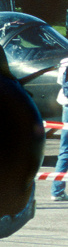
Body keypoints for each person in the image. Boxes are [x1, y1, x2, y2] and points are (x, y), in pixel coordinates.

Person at [53, 58, 68, 201]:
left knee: (65, 149)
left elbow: (60, 82)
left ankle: (57, 190)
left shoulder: (64, 61)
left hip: (66, 106)